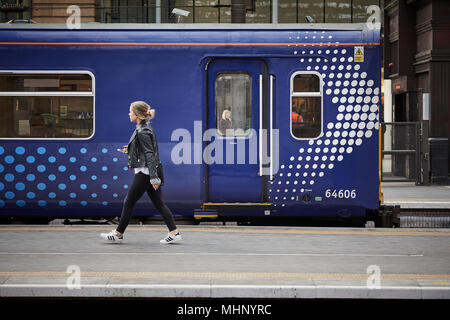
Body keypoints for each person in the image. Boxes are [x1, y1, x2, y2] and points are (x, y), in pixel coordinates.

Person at [101, 101, 181, 244]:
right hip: (149, 171)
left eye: (130, 111)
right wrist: (130, 149)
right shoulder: (143, 126)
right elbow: (145, 150)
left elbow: (150, 154)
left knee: (128, 202)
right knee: (159, 204)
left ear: (137, 114)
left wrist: (154, 178)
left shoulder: (143, 130)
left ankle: (118, 233)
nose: (129, 114)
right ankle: (174, 232)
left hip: (146, 173)